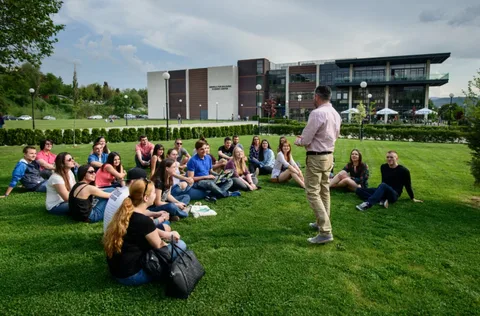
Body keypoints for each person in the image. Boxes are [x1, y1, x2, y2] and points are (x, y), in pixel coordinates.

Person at [103, 179, 187, 286]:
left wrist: (166, 234)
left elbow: (146, 229)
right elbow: (160, 246)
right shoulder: (143, 221)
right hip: (132, 275)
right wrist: (170, 239)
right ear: (146, 198)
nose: (155, 194)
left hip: (117, 270)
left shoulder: (126, 211)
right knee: (181, 245)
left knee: (166, 233)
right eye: (153, 192)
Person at [294, 85, 341, 244]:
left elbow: (306, 140)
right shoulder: (335, 114)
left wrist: (298, 141)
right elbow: (336, 135)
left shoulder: (317, 113)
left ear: (316, 97)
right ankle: (322, 222)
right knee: (324, 191)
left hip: (316, 157)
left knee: (312, 192)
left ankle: (325, 231)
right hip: (329, 156)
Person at [103, 168, 169, 233]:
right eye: (144, 181)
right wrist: (160, 219)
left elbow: (137, 213)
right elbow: (137, 220)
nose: (146, 184)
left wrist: (156, 214)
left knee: (153, 218)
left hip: (109, 231)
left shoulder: (120, 190)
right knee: (166, 227)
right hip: (120, 233)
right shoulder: (130, 195)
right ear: (133, 182)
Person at [355, 151, 423, 211]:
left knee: (383, 185)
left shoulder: (404, 171)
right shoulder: (383, 167)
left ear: (396, 158)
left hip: (394, 194)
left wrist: (412, 198)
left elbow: (408, 185)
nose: (389, 159)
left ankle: (368, 204)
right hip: (383, 189)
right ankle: (381, 200)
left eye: (391, 157)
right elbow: (383, 180)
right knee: (359, 190)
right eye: (387, 157)